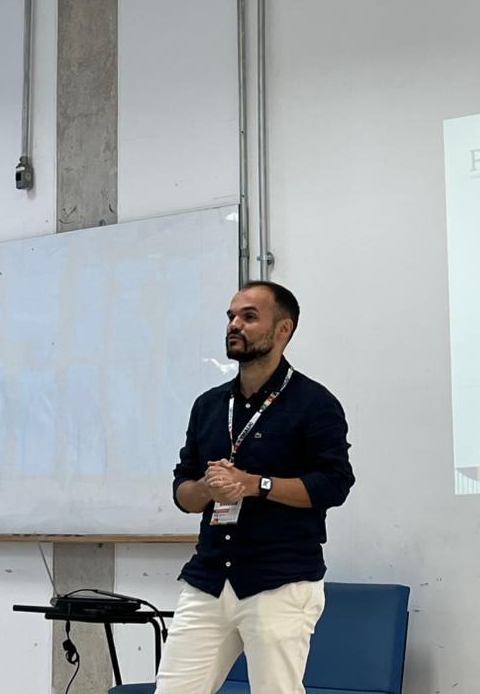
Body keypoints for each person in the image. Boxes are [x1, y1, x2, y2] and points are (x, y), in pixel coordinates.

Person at [155, 280, 355, 694]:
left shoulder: (315, 403)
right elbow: (183, 492)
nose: (234, 325)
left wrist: (254, 485)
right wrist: (209, 489)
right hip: (209, 579)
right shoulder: (209, 406)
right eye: (231, 316)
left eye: (248, 317)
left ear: (283, 329)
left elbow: (333, 485)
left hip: (279, 581)